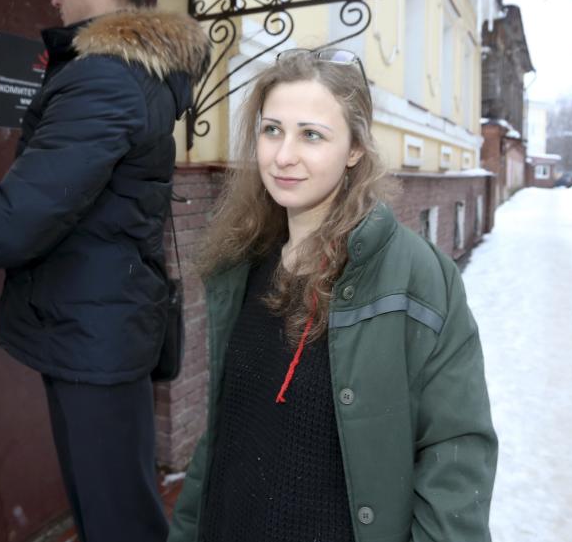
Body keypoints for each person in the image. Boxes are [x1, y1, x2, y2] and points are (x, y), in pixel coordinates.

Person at [0, 0, 210, 542]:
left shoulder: (106, 76)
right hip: (101, 320)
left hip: (94, 330)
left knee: (118, 517)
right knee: (111, 505)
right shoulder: (142, 76)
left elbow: (33, 204)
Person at [167, 49, 497, 542]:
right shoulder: (243, 264)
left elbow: (456, 456)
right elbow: (224, 435)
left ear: (355, 149)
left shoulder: (419, 278)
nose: (282, 155)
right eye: (272, 129)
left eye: (311, 135)